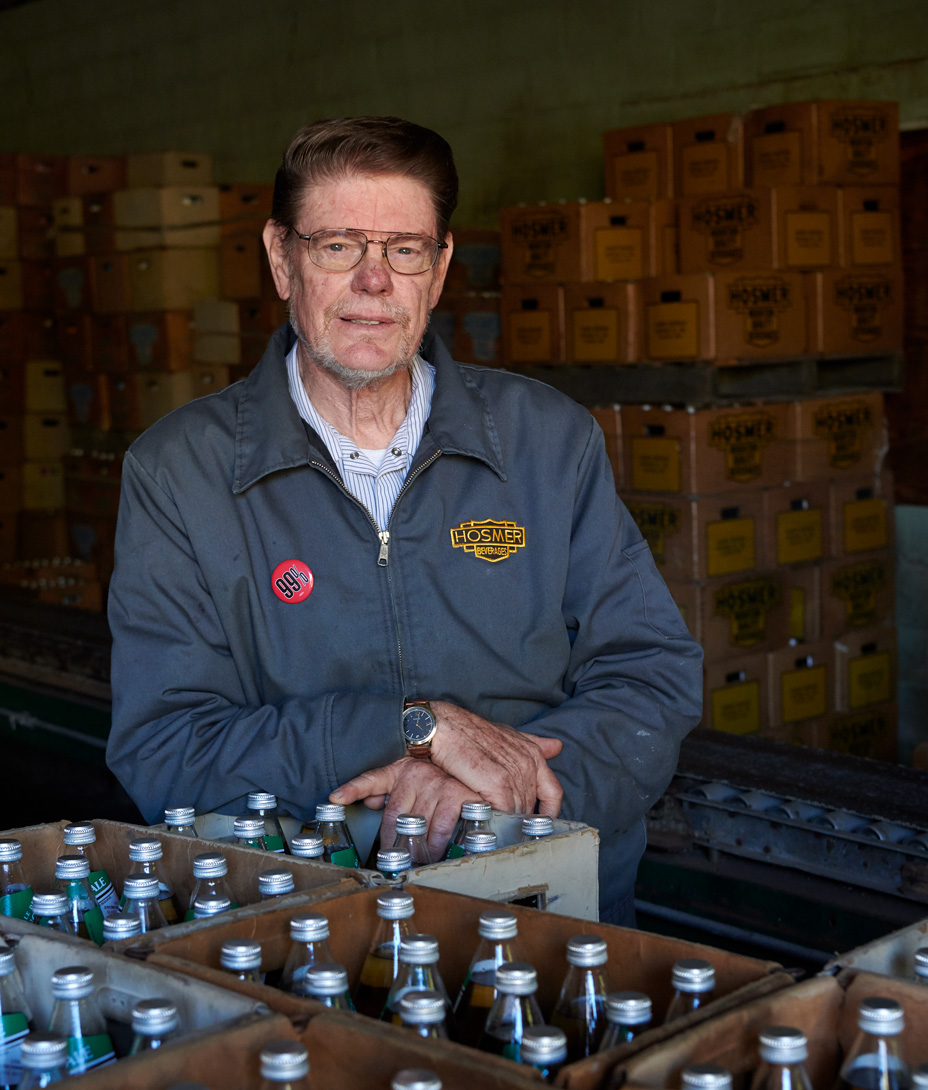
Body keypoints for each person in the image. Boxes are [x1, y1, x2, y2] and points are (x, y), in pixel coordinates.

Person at [106, 116, 702, 924]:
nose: (375, 281)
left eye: (404, 249)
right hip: (304, 931)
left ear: (442, 266)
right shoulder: (181, 471)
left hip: (548, 916)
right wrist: (409, 731)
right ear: (282, 259)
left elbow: (651, 674)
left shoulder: (547, 440)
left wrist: (491, 792)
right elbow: (166, 748)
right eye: (339, 246)